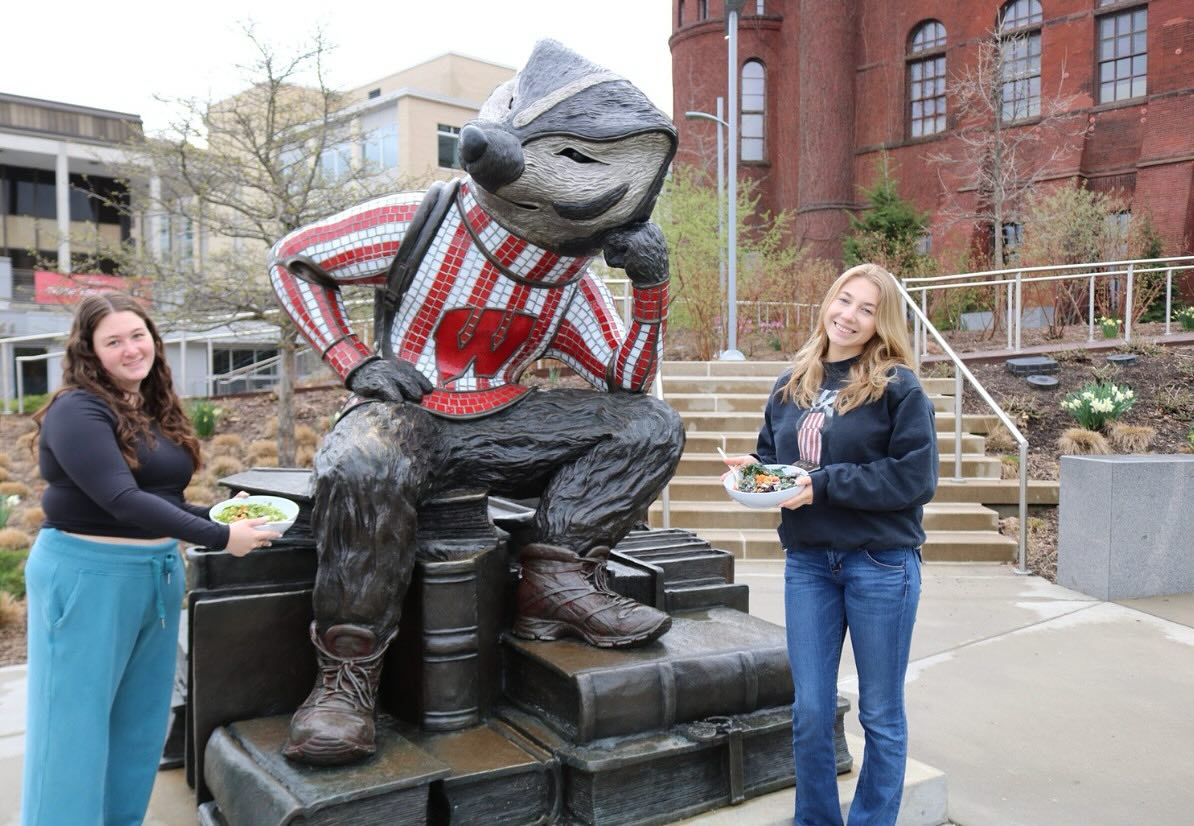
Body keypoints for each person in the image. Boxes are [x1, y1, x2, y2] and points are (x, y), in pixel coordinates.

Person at [21, 292, 279, 826]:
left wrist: (222, 517)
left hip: (154, 574)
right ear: (90, 350)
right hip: (86, 576)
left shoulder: (150, 407)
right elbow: (120, 500)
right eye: (113, 340)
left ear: (153, 341)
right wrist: (216, 539)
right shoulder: (77, 408)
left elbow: (165, 503)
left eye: (137, 335)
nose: (130, 348)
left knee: (139, 728)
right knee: (72, 730)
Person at [723, 263, 938, 826]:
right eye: (844, 301)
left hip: (880, 563)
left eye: (866, 309)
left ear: (880, 322)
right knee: (811, 712)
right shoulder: (793, 382)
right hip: (810, 563)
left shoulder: (897, 387)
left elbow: (915, 479)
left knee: (880, 713)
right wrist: (756, 472)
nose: (849, 316)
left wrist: (819, 485)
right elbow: (777, 461)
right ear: (828, 302)